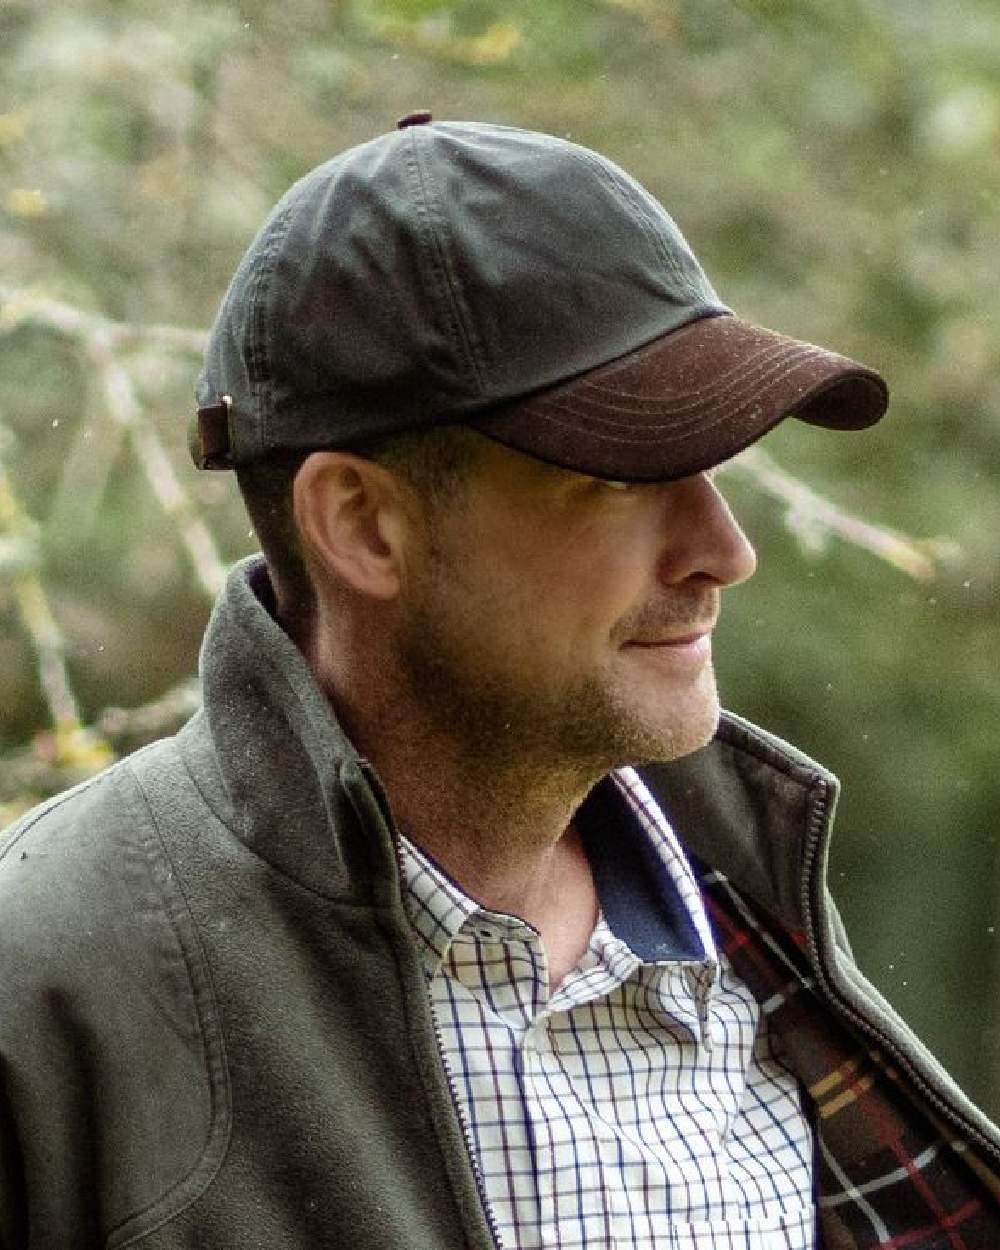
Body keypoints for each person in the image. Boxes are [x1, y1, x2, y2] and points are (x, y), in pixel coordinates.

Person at [0, 115, 997, 1250]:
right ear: (363, 523)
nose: (724, 550)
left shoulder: (759, 933)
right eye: (622, 481)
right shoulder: (46, 989)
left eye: (714, 470)